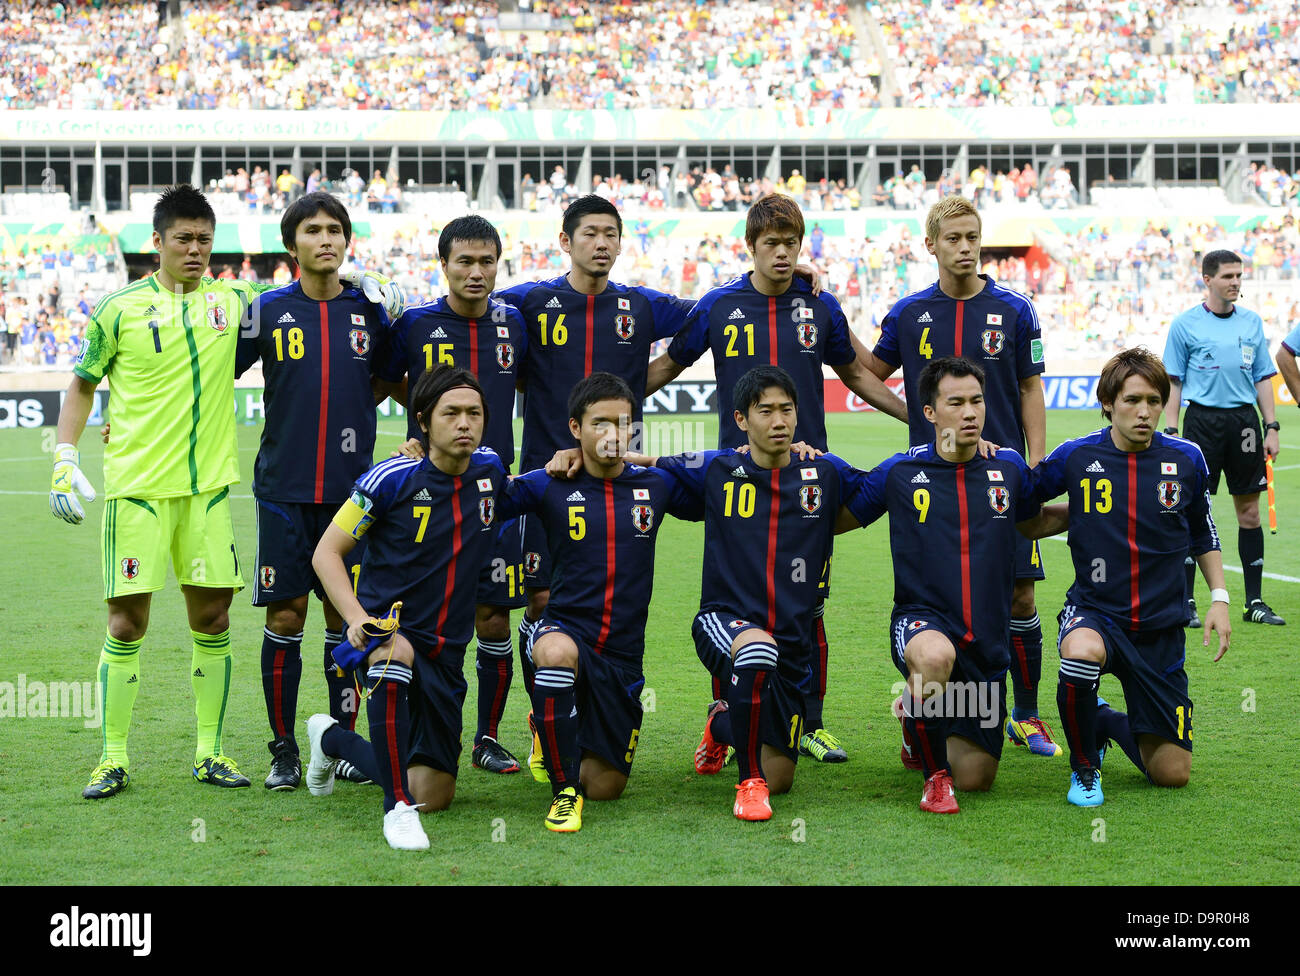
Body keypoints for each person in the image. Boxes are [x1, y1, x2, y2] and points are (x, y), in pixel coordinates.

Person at [646, 192, 908, 764]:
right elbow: (668, 365)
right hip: (736, 481)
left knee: (809, 603)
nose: (784, 254)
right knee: (735, 601)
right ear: (751, 247)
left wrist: (915, 417)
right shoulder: (718, 306)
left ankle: (809, 722)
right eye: (772, 244)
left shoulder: (821, 306)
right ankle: (726, 717)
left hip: (810, 479)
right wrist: (605, 416)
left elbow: (857, 377)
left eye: (792, 243)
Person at [51, 186, 263, 798]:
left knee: (214, 617)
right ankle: (112, 758)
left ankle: (210, 752)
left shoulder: (236, 300)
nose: (195, 250)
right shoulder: (117, 309)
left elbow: (310, 286)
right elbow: (82, 385)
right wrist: (65, 456)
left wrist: (363, 279)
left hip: (207, 492)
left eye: (204, 240)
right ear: (158, 244)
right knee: (126, 622)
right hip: (137, 492)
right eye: (183, 239)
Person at [493, 195, 694, 772]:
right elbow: (470, 308)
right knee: (541, 599)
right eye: (590, 234)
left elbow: (711, 314)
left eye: (611, 234)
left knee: (608, 593)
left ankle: (592, 713)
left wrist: (643, 380)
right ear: (566, 241)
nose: (601, 243)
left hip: (613, 479)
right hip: (548, 482)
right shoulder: (530, 301)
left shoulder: (641, 305)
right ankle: (545, 722)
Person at [866, 194, 1060, 759]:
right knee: (943, 604)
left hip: (1001, 485)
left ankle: (1025, 715)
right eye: (953, 239)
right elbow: (866, 373)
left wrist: (1034, 462)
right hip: (936, 487)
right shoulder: (908, 314)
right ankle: (928, 712)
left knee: (1020, 597)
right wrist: (911, 418)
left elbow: (1030, 387)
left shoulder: (1016, 310)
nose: (966, 248)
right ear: (931, 246)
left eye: (973, 237)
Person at [841, 357, 1058, 813]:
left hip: (985, 645)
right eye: (955, 402)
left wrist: (1100, 510)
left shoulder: (1009, 469)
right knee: (935, 658)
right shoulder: (899, 472)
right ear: (930, 412)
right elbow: (839, 516)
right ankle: (934, 779)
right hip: (923, 626)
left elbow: (1034, 522)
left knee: (977, 779)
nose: (970, 412)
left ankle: (915, 718)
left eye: (976, 401)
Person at [650, 366, 868, 820]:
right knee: (755, 654)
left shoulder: (824, 471)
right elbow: (648, 463)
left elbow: (885, 487)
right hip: (722, 622)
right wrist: (584, 453)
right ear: (741, 419)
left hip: (789, 642)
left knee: (783, 778)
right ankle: (749, 783)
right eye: (764, 410)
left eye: (786, 409)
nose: (778, 421)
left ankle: (720, 725)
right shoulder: (716, 468)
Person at [234, 191, 399, 791]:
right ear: (291, 245)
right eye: (313, 230)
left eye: (335, 230)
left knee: (345, 618)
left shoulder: (373, 311)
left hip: (352, 494)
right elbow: (211, 369)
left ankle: (346, 746)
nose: (325, 239)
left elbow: (389, 377)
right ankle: (283, 751)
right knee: (286, 613)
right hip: (283, 488)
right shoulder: (265, 310)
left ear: (346, 241)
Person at [306, 367, 509, 850]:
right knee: (393, 654)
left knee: (433, 795)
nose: (464, 423)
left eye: (474, 413)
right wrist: (357, 618)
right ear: (423, 421)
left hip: (447, 651)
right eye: (451, 413)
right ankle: (394, 810)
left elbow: (527, 489)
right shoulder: (389, 476)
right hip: (387, 634)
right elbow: (325, 553)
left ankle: (330, 739)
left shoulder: (491, 471)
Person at [1032, 348, 1231, 806]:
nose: (1144, 412)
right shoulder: (1078, 456)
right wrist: (1062, 516)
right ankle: (1085, 769)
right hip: (1096, 613)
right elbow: (1025, 504)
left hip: (1161, 627)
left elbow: (1203, 531)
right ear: (1108, 403)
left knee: (1171, 774)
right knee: (1080, 653)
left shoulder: (1186, 459)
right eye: (1132, 400)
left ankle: (1103, 721)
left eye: (1154, 401)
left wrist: (1218, 596)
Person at [509, 373, 697, 832]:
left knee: (605, 787)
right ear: (575, 427)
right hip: (566, 633)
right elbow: (484, 491)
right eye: (599, 423)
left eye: (623, 423)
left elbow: (729, 470)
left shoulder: (658, 485)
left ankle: (547, 724)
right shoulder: (550, 482)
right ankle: (562, 793)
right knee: (553, 651)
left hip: (622, 659)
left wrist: (793, 454)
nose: (613, 434)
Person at [379, 215, 530, 775]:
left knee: (493, 617)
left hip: (492, 492)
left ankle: (487, 737)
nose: (476, 271)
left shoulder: (514, 321)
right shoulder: (417, 324)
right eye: (464, 261)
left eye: (486, 260)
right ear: (442, 265)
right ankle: (399, 730)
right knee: (424, 619)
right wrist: (418, 432)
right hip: (430, 492)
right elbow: (381, 380)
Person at [1162, 249, 1284, 627]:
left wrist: (1272, 426)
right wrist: (1171, 430)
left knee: (1249, 512)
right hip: (1201, 422)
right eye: (1228, 276)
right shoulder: (1185, 325)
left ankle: (1254, 602)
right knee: (1190, 511)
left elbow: (1263, 376)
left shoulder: (1251, 323)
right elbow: (1174, 380)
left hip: (1244, 423)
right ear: (1208, 279)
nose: (1235, 282)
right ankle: (1187, 603)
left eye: (1238, 276)